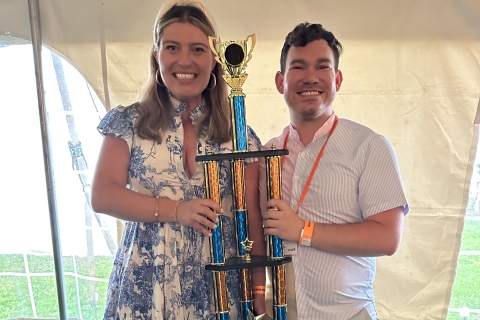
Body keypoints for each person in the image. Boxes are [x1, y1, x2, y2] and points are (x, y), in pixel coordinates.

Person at [91, 1, 266, 319]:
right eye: (172, 47)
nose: (185, 60)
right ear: (156, 54)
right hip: (147, 284)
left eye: (198, 49)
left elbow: (252, 218)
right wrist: (178, 211)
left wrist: (259, 296)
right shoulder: (129, 122)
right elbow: (103, 195)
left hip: (220, 287)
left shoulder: (240, 134)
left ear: (215, 59)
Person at [259, 22, 409, 320]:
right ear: (281, 81)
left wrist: (303, 230)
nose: (310, 77)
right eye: (298, 67)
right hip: (283, 313)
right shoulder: (267, 154)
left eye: (322, 67)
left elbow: (387, 238)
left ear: (337, 79)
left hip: (349, 314)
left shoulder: (369, 146)